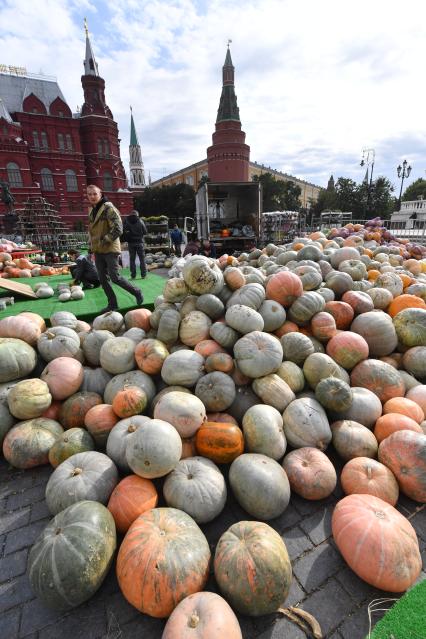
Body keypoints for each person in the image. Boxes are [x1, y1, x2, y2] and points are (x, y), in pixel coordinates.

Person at [86, 184, 143, 313]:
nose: (92, 196)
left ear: (100, 193)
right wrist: (91, 245)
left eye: (95, 194)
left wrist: (105, 240)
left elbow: (118, 228)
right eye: (89, 194)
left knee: (115, 277)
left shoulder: (108, 208)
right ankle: (112, 304)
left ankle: (137, 291)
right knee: (102, 279)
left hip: (110, 248)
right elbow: (92, 230)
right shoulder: (92, 210)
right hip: (98, 249)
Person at [122, 210, 147, 279]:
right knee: (142, 259)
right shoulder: (140, 221)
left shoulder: (127, 221)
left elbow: (123, 231)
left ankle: (133, 275)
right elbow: (145, 232)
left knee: (132, 259)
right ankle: (143, 275)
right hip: (139, 242)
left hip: (131, 243)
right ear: (137, 215)